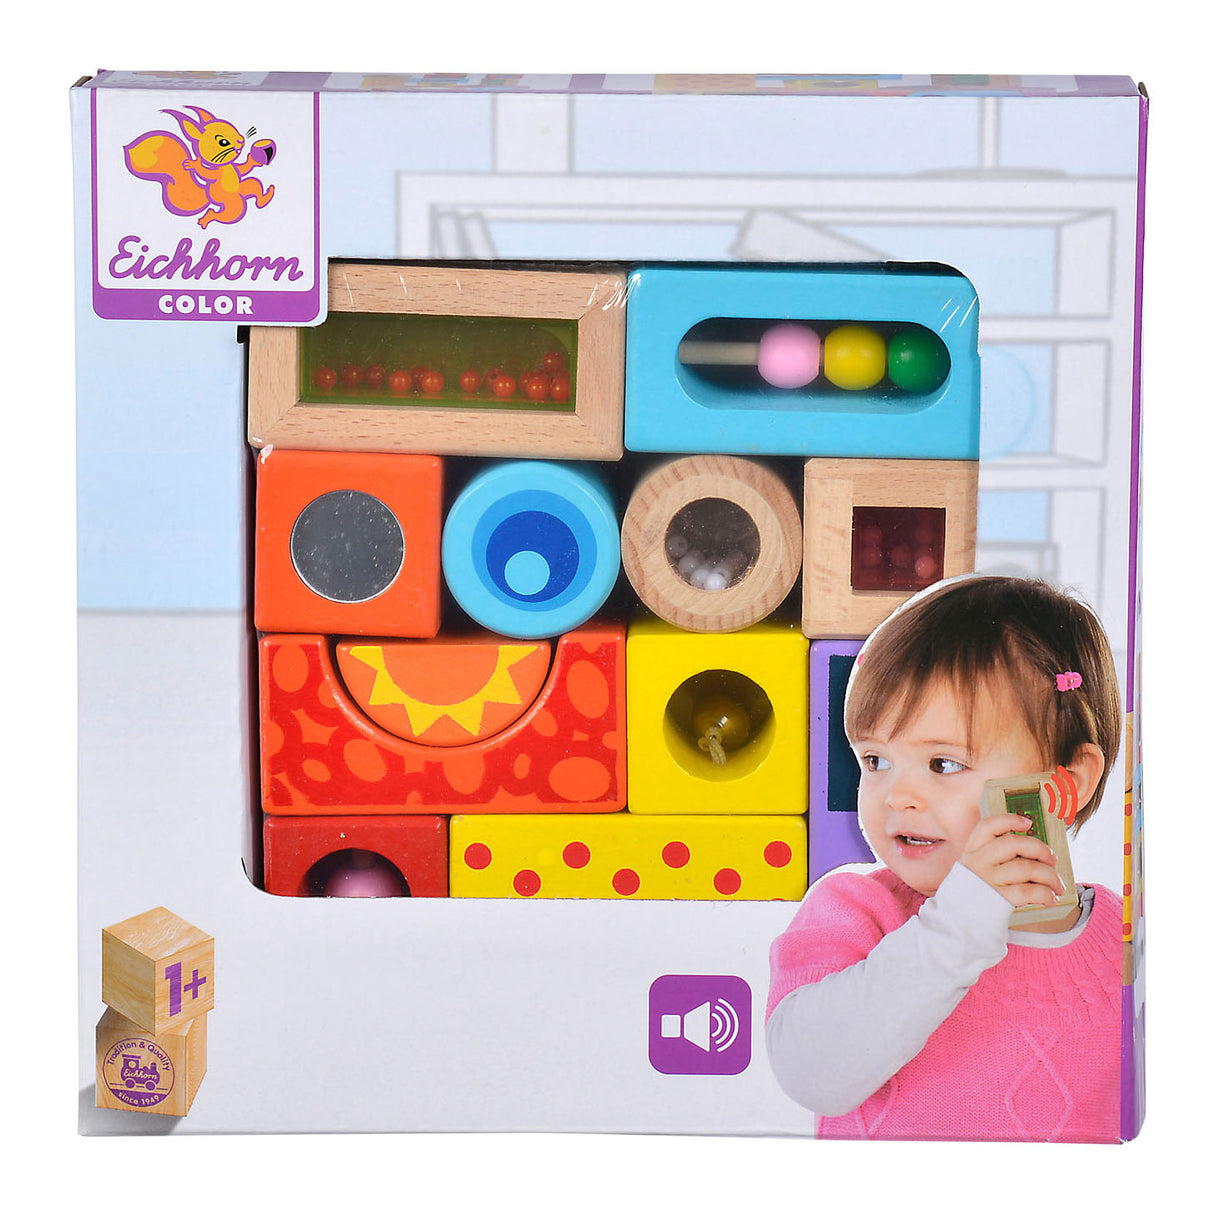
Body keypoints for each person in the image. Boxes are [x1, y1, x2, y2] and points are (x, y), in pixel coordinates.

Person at [767, 575, 1124, 1141]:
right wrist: (960, 920)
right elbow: (810, 1074)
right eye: (876, 760)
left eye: (944, 764)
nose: (896, 796)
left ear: (1066, 782)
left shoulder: (1128, 941)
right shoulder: (855, 911)